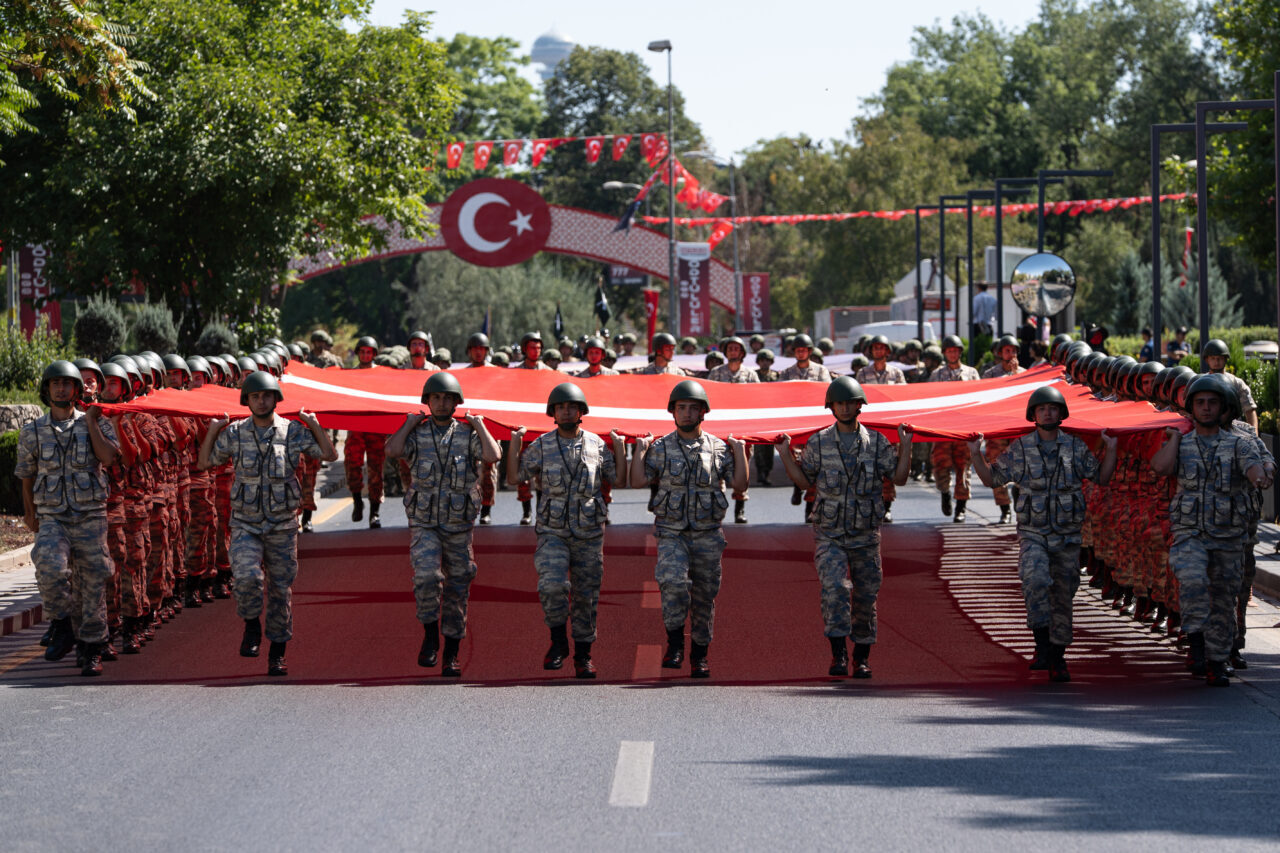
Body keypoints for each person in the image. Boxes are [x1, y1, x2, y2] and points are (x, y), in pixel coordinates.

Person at [970, 386, 1118, 682]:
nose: (1047, 413)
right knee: (1035, 580)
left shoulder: (1075, 447)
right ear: (1033, 415)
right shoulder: (1022, 448)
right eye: (1042, 409)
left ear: (1061, 413)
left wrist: (1111, 449)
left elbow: (1101, 477)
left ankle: (1058, 656)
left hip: (1067, 536)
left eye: (1052, 408)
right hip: (1034, 533)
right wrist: (976, 453)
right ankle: (1041, 645)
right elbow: (992, 478)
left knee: (1063, 594)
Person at [775, 378, 913, 678]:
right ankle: (838, 653)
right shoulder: (819, 442)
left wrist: (906, 446)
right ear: (831, 407)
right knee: (834, 589)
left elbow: (899, 478)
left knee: (866, 595)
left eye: (851, 402)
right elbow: (804, 481)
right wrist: (785, 454)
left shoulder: (876, 442)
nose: (846, 407)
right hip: (830, 532)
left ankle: (861, 657)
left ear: (860, 405)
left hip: (865, 534)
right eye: (840, 403)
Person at [199, 372, 335, 676]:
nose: (261, 401)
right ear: (246, 400)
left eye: (266, 396)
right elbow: (205, 463)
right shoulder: (234, 433)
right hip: (246, 523)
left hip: (282, 525)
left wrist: (313, 424)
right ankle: (250, 624)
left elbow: (329, 453)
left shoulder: (293, 432)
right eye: (255, 396)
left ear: (276, 399)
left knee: (280, 590)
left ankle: (277, 652)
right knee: (247, 578)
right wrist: (212, 432)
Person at [1150, 374, 1271, 686]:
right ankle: (1198, 644)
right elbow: (1160, 467)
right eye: (1200, 403)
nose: (1205, 408)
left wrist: (1260, 477)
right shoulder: (1180, 442)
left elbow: (1256, 470)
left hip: (1229, 536)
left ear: (1223, 408)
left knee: (1222, 598)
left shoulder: (1239, 444)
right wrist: (1174, 440)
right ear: (1191, 407)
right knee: (1191, 581)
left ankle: (1217, 661)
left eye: (1212, 403)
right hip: (1190, 533)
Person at [630, 380, 748, 678]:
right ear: (672, 412)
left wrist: (741, 451)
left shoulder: (719, 448)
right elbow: (637, 482)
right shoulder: (660, 447)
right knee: (672, 583)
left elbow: (740, 485)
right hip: (671, 532)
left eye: (692, 408)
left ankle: (699, 653)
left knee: (705, 596)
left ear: (702, 413)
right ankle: (674, 643)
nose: (686, 413)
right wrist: (638, 451)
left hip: (708, 533)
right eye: (680, 408)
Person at [386, 372, 500, 677]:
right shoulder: (416, 433)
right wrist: (409, 423)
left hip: (458, 525)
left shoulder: (467, 434)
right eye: (435, 398)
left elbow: (493, 455)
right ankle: (429, 636)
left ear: (456, 402)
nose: (441, 403)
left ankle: (451, 652)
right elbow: (393, 451)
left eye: (447, 398)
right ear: (427, 401)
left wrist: (479, 426)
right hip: (424, 522)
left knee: (457, 587)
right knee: (426, 577)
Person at [507, 384, 625, 678]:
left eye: (572, 407)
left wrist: (621, 449)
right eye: (560, 408)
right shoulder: (542, 445)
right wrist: (514, 445)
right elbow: (514, 477)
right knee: (552, 586)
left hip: (588, 532)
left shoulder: (597, 445)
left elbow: (619, 480)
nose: (566, 411)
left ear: (581, 411)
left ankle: (583, 655)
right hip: (553, 532)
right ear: (553, 413)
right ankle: (558, 642)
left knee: (586, 595)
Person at [16, 361, 121, 676]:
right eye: (55, 383)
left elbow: (108, 457)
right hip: (52, 517)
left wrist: (90, 423)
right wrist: (29, 514)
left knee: (91, 584)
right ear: (46, 389)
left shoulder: (98, 423)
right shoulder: (32, 431)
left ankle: (91, 648)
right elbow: (26, 476)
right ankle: (61, 624)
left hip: (89, 515)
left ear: (77, 390)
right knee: (49, 565)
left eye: (67, 384)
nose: (61, 389)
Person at [854, 336, 907, 523]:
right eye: (875, 348)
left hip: (890, 428)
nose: (878, 351)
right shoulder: (862, 373)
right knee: (867, 468)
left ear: (887, 351)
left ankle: (886, 506)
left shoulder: (896, 374)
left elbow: (903, 399)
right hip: (868, 428)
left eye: (881, 348)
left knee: (888, 467)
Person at [707, 337, 759, 524]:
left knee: (741, 469)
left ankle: (739, 508)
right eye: (729, 348)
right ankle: (719, 507)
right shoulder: (716, 373)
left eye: (736, 348)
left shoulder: (751, 375)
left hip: (742, 430)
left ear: (742, 352)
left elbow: (758, 401)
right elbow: (709, 397)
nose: (733, 351)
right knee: (717, 467)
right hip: (720, 429)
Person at [929, 334, 980, 521]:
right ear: (945, 353)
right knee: (940, 465)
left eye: (955, 351)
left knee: (963, 468)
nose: (952, 354)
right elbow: (929, 400)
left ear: (960, 352)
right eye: (949, 351)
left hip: (964, 428)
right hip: (943, 428)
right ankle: (944, 493)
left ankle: (961, 507)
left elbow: (979, 398)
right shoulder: (936, 375)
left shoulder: (971, 373)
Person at [980, 335, 1025, 524]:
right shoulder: (990, 374)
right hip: (998, 428)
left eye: (1014, 350)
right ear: (1000, 353)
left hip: (1018, 428)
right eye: (1007, 350)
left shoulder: (1025, 373)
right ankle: (1004, 508)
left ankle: (1020, 500)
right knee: (996, 468)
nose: (1011, 354)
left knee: (1022, 468)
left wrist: (1016, 375)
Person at [344, 336, 386, 528]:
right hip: (356, 426)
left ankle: (374, 512)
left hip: (376, 427)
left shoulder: (383, 374)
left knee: (376, 469)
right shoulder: (350, 375)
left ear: (374, 354)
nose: (365, 355)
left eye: (369, 352)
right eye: (362, 351)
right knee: (353, 463)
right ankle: (357, 500)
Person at [1200, 339, 1257, 429]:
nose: (1216, 362)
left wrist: (1254, 436)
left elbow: (1249, 410)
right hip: (1207, 430)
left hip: (1233, 430)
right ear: (1207, 360)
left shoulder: (1237, 383)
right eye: (1213, 358)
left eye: (1220, 358)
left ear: (1225, 359)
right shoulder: (1201, 383)